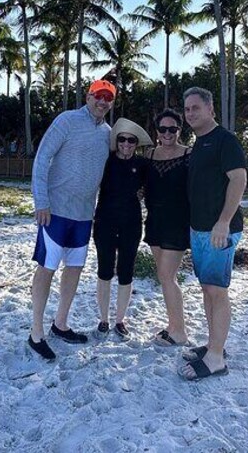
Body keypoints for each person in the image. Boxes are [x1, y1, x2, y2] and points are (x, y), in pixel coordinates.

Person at [28, 79, 116, 361]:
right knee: (47, 268)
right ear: (88, 97)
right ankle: (36, 333)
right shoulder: (66, 121)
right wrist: (41, 201)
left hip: (83, 215)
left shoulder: (108, 133)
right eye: (98, 96)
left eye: (108, 98)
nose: (102, 102)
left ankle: (61, 323)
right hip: (55, 211)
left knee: (74, 268)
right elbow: (42, 159)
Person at [179, 87, 247, 380]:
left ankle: (217, 358)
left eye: (196, 107)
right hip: (199, 229)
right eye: (187, 109)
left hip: (220, 230)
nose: (190, 113)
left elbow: (239, 179)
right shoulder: (199, 143)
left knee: (217, 291)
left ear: (211, 110)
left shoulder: (224, 140)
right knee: (208, 288)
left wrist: (223, 221)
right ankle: (213, 345)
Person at [93, 118, 152, 340]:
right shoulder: (105, 162)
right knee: (105, 271)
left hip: (131, 224)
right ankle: (103, 320)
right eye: (122, 140)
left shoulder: (143, 165)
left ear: (136, 144)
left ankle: (119, 320)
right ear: (116, 142)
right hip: (104, 222)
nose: (126, 144)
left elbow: (153, 188)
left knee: (126, 272)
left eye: (131, 141)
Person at [144, 108, 192, 347]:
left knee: (167, 276)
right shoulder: (150, 155)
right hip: (154, 222)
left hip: (177, 223)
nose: (167, 133)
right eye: (162, 129)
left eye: (172, 129)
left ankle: (180, 331)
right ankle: (173, 326)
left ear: (179, 130)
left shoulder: (189, 155)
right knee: (164, 277)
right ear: (157, 131)